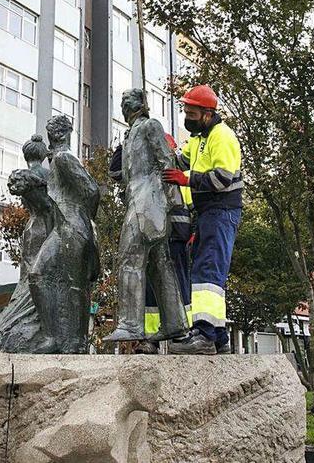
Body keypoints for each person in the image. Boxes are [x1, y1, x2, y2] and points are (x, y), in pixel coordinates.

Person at [103, 89, 190, 344]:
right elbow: (118, 172)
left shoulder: (151, 126)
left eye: (127, 100)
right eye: (121, 101)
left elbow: (168, 163)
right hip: (138, 200)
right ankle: (174, 323)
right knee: (160, 263)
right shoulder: (130, 134)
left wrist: (172, 204)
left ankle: (130, 324)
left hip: (149, 204)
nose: (122, 105)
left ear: (141, 104)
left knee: (130, 259)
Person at [162, 85, 244, 355]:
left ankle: (206, 335)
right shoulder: (197, 140)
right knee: (206, 271)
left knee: (208, 271)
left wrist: (187, 179)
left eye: (192, 113)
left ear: (207, 114)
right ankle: (218, 336)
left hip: (222, 210)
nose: (187, 117)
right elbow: (178, 161)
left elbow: (222, 178)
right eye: (185, 111)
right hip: (207, 213)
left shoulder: (222, 136)